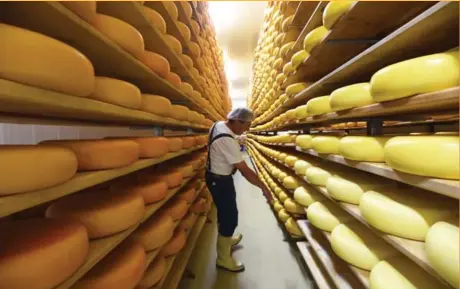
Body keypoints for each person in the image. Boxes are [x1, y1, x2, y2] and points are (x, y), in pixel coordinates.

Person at [205, 107, 272, 273]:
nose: (247, 130)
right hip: (219, 181)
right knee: (230, 216)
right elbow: (245, 170)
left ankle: (226, 240)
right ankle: (223, 258)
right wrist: (263, 187)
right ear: (237, 121)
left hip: (217, 177)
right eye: (247, 125)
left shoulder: (217, 124)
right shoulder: (227, 140)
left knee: (224, 211)